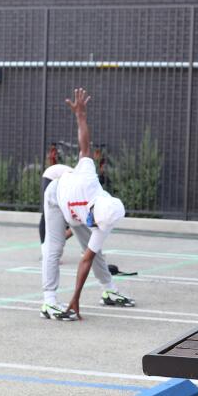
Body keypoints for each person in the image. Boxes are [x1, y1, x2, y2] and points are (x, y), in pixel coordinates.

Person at [39, 88, 134, 320]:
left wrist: (76, 297)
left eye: (94, 224)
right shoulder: (88, 178)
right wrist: (80, 116)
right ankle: (48, 301)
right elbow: (85, 146)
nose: (92, 224)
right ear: (92, 210)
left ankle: (109, 290)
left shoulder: (103, 222)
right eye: (92, 220)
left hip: (75, 212)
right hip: (56, 195)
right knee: (54, 247)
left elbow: (86, 259)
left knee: (95, 250)